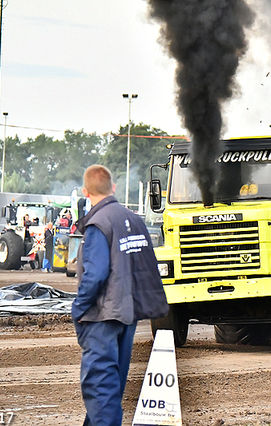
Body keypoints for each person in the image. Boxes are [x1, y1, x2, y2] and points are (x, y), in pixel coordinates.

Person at [72, 164, 169, 426]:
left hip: (102, 318)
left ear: (85, 192)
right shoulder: (135, 221)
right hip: (127, 316)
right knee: (111, 390)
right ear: (113, 188)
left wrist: (79, 308)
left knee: (102, 393)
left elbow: (95, 274)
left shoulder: (98, 224)